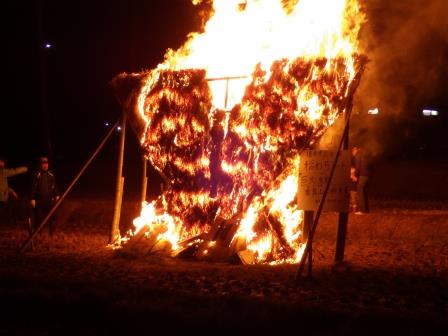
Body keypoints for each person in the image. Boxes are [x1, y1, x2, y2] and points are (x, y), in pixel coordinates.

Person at [30, 156, 59, 235]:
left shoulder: (51, 175)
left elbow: (54, 186)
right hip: (39, 200)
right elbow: (33, 187)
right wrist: (32, 199)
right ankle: (38, 232)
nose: (45, 165)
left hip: (49, 200)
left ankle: (51, 233)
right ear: (40, 165)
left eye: (46, 163)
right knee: (39, 217)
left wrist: (56, 195)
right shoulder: (37, 174)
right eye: (43, 163)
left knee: (53, 216)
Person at [0, 156, 28, 224]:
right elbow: (14, 171)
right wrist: (25, 168)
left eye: (3, 162)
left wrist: (12, 191)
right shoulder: (2, 171)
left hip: (2, 197)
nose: (2, 163)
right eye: (1, 161)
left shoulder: (2, 173)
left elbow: (3, 186)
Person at [351, 145, 372, 215]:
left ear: (354, 150)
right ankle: (366, 210)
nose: (352, 154)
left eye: (352, 152)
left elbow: (358, 166)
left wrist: (355, 176)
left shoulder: (357, 155)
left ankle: (362, 210)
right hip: (367, 175)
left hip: (362, 175)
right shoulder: (364, 154)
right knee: (364, 191)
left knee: (360, 191)